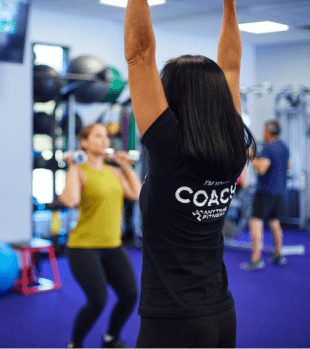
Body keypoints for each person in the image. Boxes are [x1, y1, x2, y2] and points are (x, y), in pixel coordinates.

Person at [124, 0, 257, 348]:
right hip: (221, 314)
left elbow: (140, 55)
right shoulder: (234, 148)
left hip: (172, 320)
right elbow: (230, 67)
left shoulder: (169, 147)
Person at [59, 123, 142, 349]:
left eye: (106, 136)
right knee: (97, 300)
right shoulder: (81, 171)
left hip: (113, 246)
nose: (105, 140)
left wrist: (125, 165)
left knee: (130, 295)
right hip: (84, 247)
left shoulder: (113, 171)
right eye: (97, 136)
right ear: (83, 142)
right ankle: (74, 344)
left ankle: (111, 338)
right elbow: (71, 200)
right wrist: (73, 166)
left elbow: (137, 194)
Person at [240, 120, 290, 271]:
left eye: (263, 130)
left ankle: (256, 259)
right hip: (280, 191)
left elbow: (262, 168)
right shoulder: (284, 147)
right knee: (275, 222)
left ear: (268, 131)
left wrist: (251, 157)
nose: (262, 133)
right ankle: (278, 254)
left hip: (266, 192)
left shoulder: (268, 148)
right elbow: (289, 165)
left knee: (255, 222)